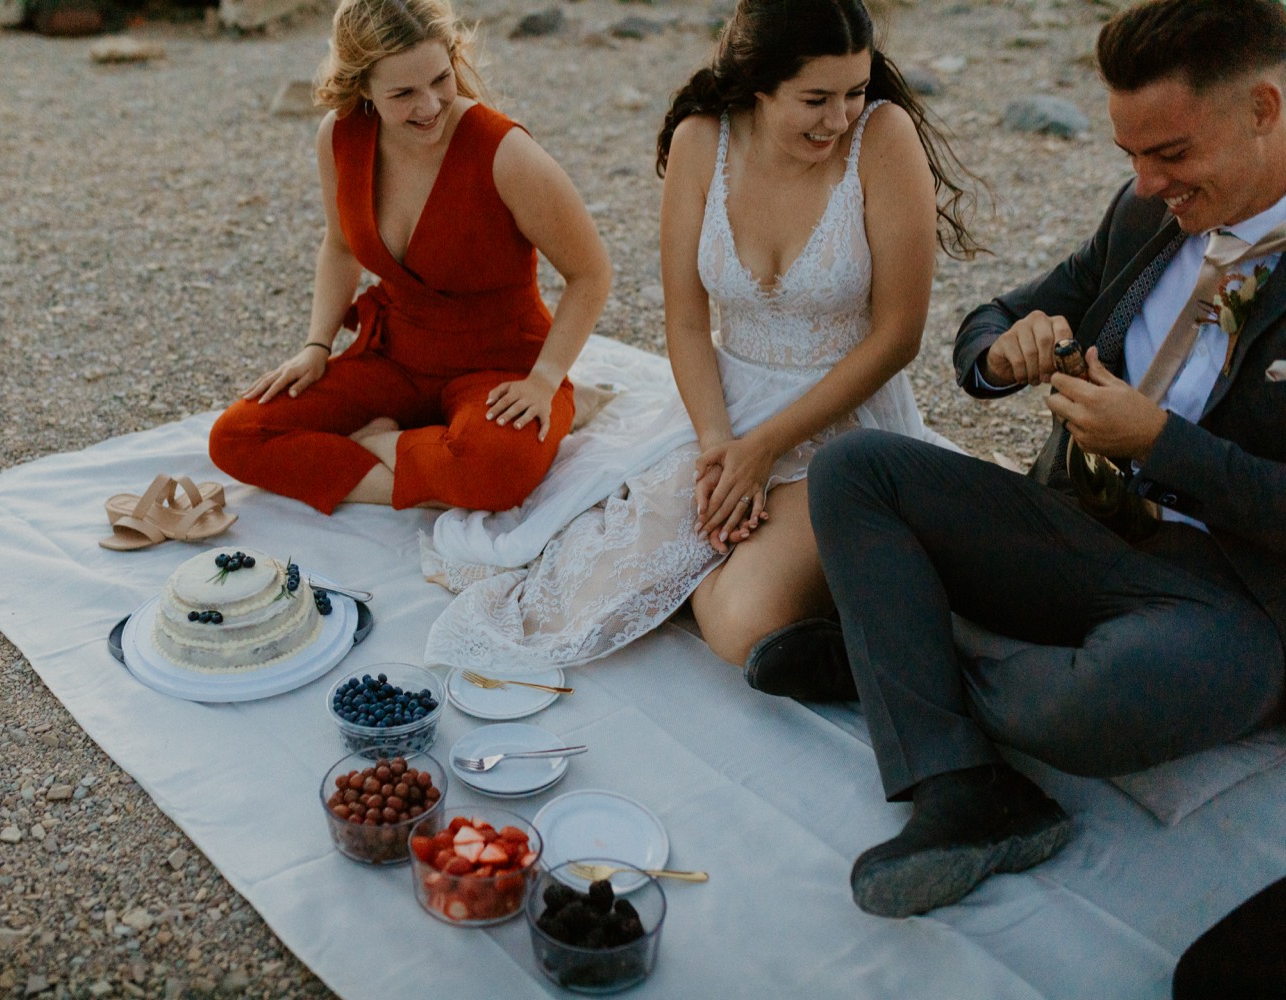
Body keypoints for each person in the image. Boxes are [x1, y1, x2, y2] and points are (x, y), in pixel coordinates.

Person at [800, 0, 1286, 920]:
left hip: (1235, 597)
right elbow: (988, 321)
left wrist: (1161, 444)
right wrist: (1001, 350)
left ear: (1263, 108)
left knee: (1106, 701)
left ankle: (895, 662)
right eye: (1129, 157)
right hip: (1077, 528)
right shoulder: (1145, 212)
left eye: (1171, 154)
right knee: (855, 469)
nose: (1146, 184)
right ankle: (967, 793)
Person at [421, 0, 979, 674]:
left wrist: (762, 454)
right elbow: (685, 319)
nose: (840, 118)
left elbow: (898, 336)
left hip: (847, 422)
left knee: (741, 626)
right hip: (725, 406)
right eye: (816, 99)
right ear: (758, 83)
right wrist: (720, 448)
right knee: (580, 586)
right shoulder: (701, 141)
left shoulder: (883, 138)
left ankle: (821, 577)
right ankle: (776, 567)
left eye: (855, 92)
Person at [208, 0, 611, 515]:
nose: (430, 105)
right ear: (363, 89)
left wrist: (545, 379)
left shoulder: (506, 153)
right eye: (403, 93)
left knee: (495, 472)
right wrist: (316, 344)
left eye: (441, 79)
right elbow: (338, 245)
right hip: (394, 355)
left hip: (502, 363)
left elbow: (590, 273)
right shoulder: (340, 135)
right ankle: (426, 458)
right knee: (236, 437)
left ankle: (380, 445)